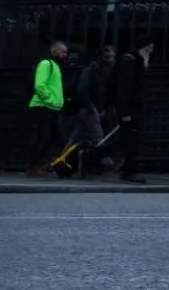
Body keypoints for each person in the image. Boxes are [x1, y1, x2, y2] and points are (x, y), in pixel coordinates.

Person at [71, 45, 115, 177]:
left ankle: (64, 163)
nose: (111, 60)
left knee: (76, 138)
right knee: (98, 137)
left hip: (90, 108)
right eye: (108, 57)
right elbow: (83, 90)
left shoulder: (99, 70)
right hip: (89, 109)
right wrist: (92, 107)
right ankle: (106, 164)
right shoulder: (91, 70)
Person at [26, 40, 68, 177]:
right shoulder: (46, 64)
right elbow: (39, 85)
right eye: (62, 52)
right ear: (54, 52)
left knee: (54, 137)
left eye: (65, 52)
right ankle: (34, 166)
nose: (65, 55)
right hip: (42, 106)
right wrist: (50, 99)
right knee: (42, 137)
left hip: (52, 108)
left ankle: (42, 164)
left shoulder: (56, 67)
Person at [111, 43, 151, 183]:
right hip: (129, 110)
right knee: (130, 141)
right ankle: (128, 172)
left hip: (132, 109)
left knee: (125, 140)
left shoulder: (134, 62)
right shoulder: (131, 61)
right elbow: (125, 88)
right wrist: (126, 111)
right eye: (149, 48)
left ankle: (91, 156)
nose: (151, 52)